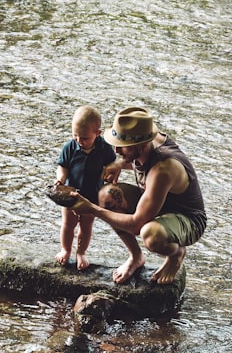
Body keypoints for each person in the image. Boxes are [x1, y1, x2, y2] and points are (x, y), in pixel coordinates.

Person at [70, 106, 206, 285]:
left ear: (141, 146)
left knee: (150, 234)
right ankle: (136, 257)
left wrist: (92, 209)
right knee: (107, 196)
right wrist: (119, 164)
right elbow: (134, 156)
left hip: (188, 219)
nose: (117, 151)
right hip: (156, 201)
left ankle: (176, 254)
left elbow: (136, 225)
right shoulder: (143, 136)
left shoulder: (163, 169)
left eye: (122, 147)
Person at [54, 105, 116, 270]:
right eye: (75, 136)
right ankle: (65, 249)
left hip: (92, 196)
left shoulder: (104, 148)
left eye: (84, 138)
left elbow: (113, 165)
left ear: (98, 133)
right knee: (68, 224)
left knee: (86, 226)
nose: (79, 141)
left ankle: (81, 252)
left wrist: (110, 177)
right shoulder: (70, 147)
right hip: (71, 194)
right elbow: (63, 166)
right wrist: (61, 178)